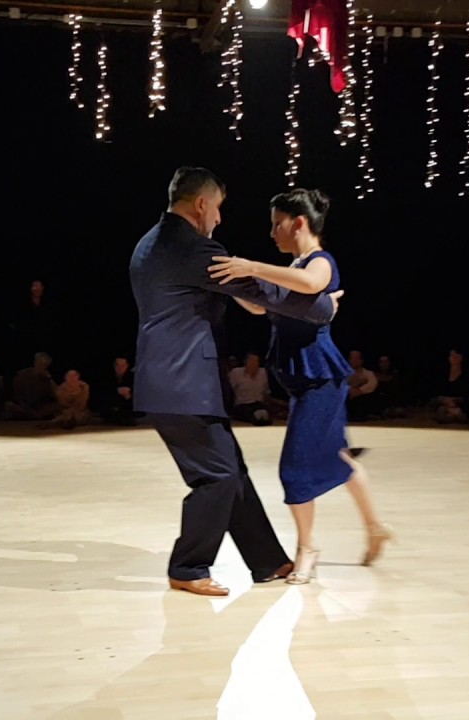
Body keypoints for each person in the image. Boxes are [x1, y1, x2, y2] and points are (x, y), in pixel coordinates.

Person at [130, 167, 343, 597]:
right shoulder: (194, 249)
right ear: (202, 204)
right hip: (182, 383)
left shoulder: (149, 243)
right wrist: (323, 309)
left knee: (232, 472)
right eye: (219, 209)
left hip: (171, 381)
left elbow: (249, 298)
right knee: (217, 478)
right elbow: (262, 293)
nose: (220, 219)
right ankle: (188, 567)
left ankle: (268, 561)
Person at [208, 187, 391, 585]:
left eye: (277, 224)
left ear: (299, 223)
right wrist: (230, 283)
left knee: (294, 471)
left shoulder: (320, 263)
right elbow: (261, 305)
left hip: (320, 381)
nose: (272, 232)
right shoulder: (290, 269)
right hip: (303, 384)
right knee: (336, 459)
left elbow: (311, 284)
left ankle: (307, 548)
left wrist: (252, 267)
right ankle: (375, 527)